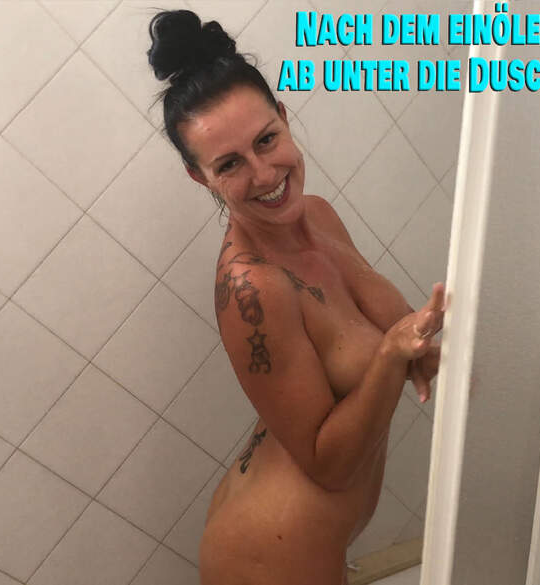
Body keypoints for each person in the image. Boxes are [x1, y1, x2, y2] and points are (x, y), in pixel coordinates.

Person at [146, 10, 448, 585]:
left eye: (267, 140)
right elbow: (329, 465)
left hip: (303, 535)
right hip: (271, 559)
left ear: (284, 118)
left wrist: (431, 348)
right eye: (229, 164)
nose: (264, 175)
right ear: (199, 177)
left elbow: (397, 328)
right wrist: (392, 357)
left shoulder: (319, 216)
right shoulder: (251, 288)